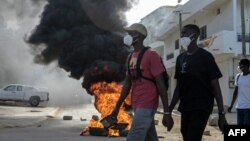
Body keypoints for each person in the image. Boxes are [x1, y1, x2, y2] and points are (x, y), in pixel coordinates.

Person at [110, 23, 174, 141]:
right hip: (137, 104)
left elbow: (161, 84)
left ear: (138, 36)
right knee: (150, 138)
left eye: (131, 33)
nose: (127, 35)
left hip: (147, 103)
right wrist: (117, 107)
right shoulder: (130, 57)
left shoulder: (151, 55)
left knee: (133, 137)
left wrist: (167, 112)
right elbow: (127, 84)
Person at [169, 24, 228, 141]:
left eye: (185, 33)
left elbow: (215, 86)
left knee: (193, 136)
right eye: (181, 34)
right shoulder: (180, 58)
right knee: (185, 134)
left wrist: (221, 114)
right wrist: (168, 111)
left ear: (194, 36)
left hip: (202, 106)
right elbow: (178, 87)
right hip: (186, 106)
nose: (182, 36)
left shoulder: (206, 57)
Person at [228, 58, 250, 125]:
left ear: (247, 66)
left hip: (248, 107)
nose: (240, 67)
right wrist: (231, 105)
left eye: (242, 65)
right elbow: (236, 91)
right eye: (240, 65)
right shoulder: (238, 76)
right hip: (239, 106)